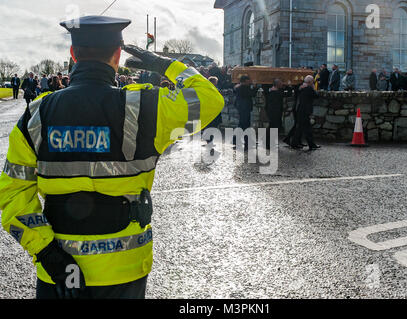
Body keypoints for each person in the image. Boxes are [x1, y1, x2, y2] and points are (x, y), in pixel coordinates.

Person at [0, 15, 224, 299]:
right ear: (118, 56)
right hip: (125, 269)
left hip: (57, 269)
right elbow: (211, 98)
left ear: (72, 55)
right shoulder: (145, 106)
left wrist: (46, 253)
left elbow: (12, 194)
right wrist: (165, 64)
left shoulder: (37, 114)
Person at [292, 75, 320, 151]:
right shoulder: (309, 89)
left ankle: (294, 143)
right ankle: (311, 144)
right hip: (305, 111)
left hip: (299, 110)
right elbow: (317, 95)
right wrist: (314, 88)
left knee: (300, 128)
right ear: (310, 82)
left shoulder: (301, 88)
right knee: (307, 129)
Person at [264, 79, 292, 149]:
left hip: (270, 111)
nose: (282, 84)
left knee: (272, 127)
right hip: (276, 112)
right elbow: (289, 93)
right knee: (274, 127)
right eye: (281, 83)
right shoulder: (278, 92)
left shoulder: (269, 91)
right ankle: (269, 144)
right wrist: (289, 86)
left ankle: (268, 143)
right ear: (277, 85)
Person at [233, 75, 258, 150]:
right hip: (244, 108)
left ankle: (237, 141)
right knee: (245, 126)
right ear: (244, 81)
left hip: (242, 108)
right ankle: (246, 143)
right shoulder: (243, 87)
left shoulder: (238, 87)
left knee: (242, 125)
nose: (249, 82)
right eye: (248, 81)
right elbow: (251, 94)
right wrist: (254, 87)